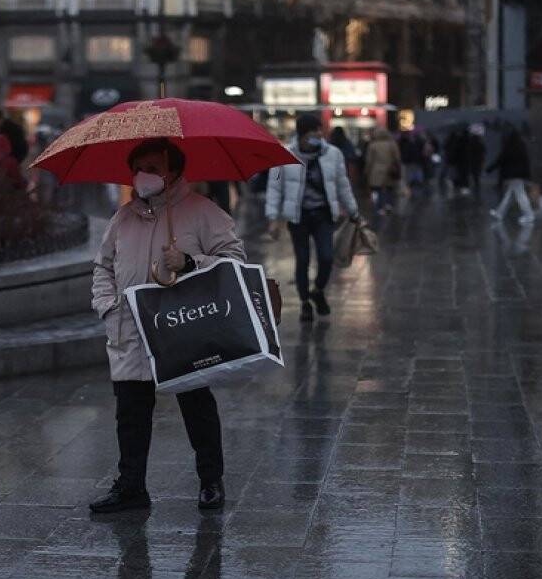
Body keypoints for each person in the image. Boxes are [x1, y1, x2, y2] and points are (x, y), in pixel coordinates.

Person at [88, 138, 244, 514]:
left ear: (173, 170)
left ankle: (210, 481)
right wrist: (107, 307)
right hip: (130, 328)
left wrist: (190, 262)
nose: (144, 175)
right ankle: (131, 486)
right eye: (138, 167)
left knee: (196, 406)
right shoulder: (123, 217)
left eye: (153, 167)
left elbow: (235, 261)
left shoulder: (202, 212)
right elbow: (103, 266)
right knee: (130, 413)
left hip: (182, 328)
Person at [265, 114, 360, 322]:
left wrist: (353, 211)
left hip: (324, 215)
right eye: (313, 131)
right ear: (301, 134)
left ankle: (318, 290)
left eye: (320, 130)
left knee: (326, 257)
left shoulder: (333, 154)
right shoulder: (284, 155)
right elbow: (275, 186)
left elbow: (342, 184)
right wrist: (273, 217)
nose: (319, 134)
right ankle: (305, 302)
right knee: (303, 260)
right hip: (298, 217)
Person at [487, 127, 535, 225]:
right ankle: (499, 213)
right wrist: (528, 175)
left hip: (513, 175)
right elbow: (526, 161)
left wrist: (489, 169)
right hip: (520, 174)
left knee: (520, 195)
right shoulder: (521, 145)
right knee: (510, 195)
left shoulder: (509, 146)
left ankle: (529, 215)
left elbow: (500, 160)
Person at [363, 125, 401, 216]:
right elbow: (397, 158)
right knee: (389, 189)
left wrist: (366, 171)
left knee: (378, 190)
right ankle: (389, 205)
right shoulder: (392, 144)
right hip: (390, 169)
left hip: (376, 170)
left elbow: (369, 160)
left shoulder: (373, 145)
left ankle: (379, 208)